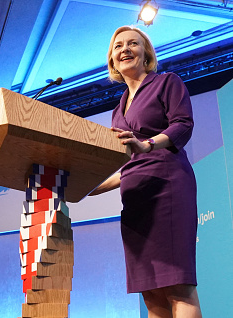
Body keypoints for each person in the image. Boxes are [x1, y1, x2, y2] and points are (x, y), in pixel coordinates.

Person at [91, 26, 201, 317]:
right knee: (151, 295)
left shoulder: (167, 82)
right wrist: (88, 187)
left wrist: (147, 145)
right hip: (135, 202)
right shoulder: (118, 110)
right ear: (112, 60)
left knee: (178, 287)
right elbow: (128, 166)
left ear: (146, 54)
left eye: (133, 44)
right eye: (118, 46)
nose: (125, 49)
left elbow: (182, 125)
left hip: (167, 189)